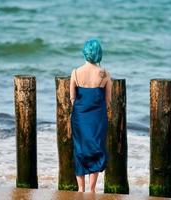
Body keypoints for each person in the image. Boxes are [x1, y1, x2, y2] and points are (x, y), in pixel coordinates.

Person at [70, 38, 112, 193]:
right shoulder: (105, 74)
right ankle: (92, 189)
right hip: (97, 117)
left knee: (79, 149)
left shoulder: (75, 72)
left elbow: (72, 98)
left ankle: (81, 189)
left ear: (85, 53)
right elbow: (108, 100)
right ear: (99, 54)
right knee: (96, 148)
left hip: (79, 116)